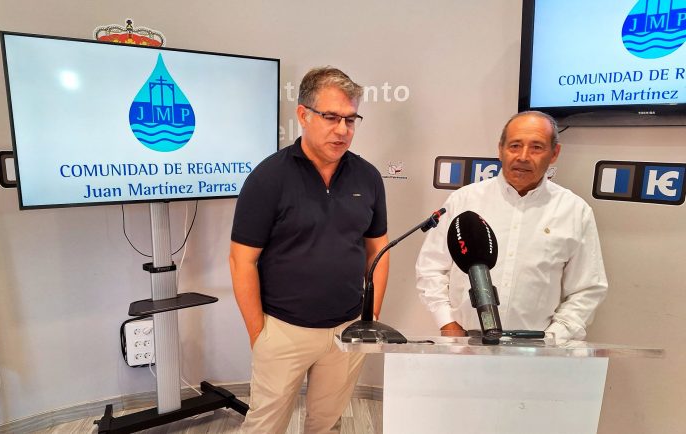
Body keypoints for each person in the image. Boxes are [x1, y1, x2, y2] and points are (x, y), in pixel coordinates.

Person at [229, 66, 389, 434]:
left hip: (347, 328)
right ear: (303, 115)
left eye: (350, 119)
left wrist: (370, 315)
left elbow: (378, 249)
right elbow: (241, 260)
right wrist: (259, 335)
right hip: (284, 329)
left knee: (326, 424)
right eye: (331, 117)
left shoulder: (368, 177)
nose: (342, 130)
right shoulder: (268, 178)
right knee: (264, 426)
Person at [415, 111, 607, 343]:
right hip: (463, 345)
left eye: (536, 147)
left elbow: (587, 289)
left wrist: (553, 338)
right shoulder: (464, 200)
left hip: (537, 350)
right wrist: (448, 323)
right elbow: (431, 268)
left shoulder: (574, 210)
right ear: (500, 149)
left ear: (554, 153)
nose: (523, 156)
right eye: (515, 146)